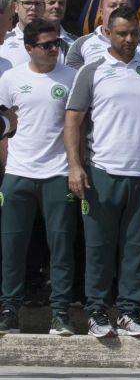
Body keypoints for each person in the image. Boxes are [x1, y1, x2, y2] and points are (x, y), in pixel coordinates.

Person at [64, 6, 140, 339]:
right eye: (122, 33)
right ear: (107, 33)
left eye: (134, 33)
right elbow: (73, 120)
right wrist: (75, 166)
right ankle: (96, 311)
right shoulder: (92, 71)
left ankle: (129, 311)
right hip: (102, 171)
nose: (129, 39)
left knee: (135, 247)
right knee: (99, 246)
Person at [0, 20, 75, 336]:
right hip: (18, 174)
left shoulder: (71, 77)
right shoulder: (11, 78)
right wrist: (4, 169)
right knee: (12, 246)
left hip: (58, 174)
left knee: (61, 247)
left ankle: (59, 312)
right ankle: (8, 310)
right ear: (29, 48)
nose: (54, 49)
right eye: (47, 45)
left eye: (57, 43)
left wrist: (76, 167)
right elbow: (3, 123)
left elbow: (80, 129)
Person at [66, 0, 140, 69]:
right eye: (112, 5)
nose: (118, 9)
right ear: (101, 13)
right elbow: (74, 78)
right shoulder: (81, 44)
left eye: (123, 6)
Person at [1, 0, 48, 66]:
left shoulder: (56, 44)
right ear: (16, 7)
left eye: (37, 3)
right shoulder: (3, 41)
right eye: (27, 3)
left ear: (44, 7)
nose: (33, 7)